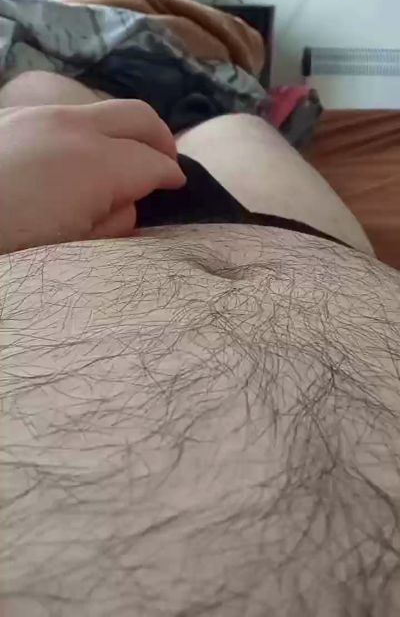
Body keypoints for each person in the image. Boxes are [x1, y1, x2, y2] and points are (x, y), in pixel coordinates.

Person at [1, 72, 399, 617]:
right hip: (298, 242)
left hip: (41, 225)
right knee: (233, 125)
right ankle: (176, 92)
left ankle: (139, 90)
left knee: (40, 91)